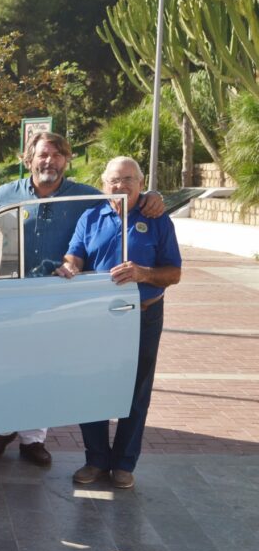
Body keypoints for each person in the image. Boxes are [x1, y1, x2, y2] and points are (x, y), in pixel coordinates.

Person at [0, 132, 165, 467]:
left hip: (59, 298)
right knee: (9, 366)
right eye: (44, 154)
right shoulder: (6, 194)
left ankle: (33, 439)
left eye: (58, 155)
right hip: (13, 296)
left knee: (46, 368)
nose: (50, 161)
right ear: (28, 159)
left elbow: (122, 198)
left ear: (67, 160)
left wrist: (151, 196)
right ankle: (1, 429)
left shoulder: (84, 197)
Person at [58, 156, 181, 489]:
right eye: (114, 179)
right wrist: (70, 266)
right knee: (92, 385)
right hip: (98, 317)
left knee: (136, 391)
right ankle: (96, 460)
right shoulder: (91, 216)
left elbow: (174, 273)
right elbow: (75, 253)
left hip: (143, 315)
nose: (121, 185)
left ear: (141, 183)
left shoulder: (157, 219)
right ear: (104, 183)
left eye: (128, 179)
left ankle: (124, 464)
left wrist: (143, 273)